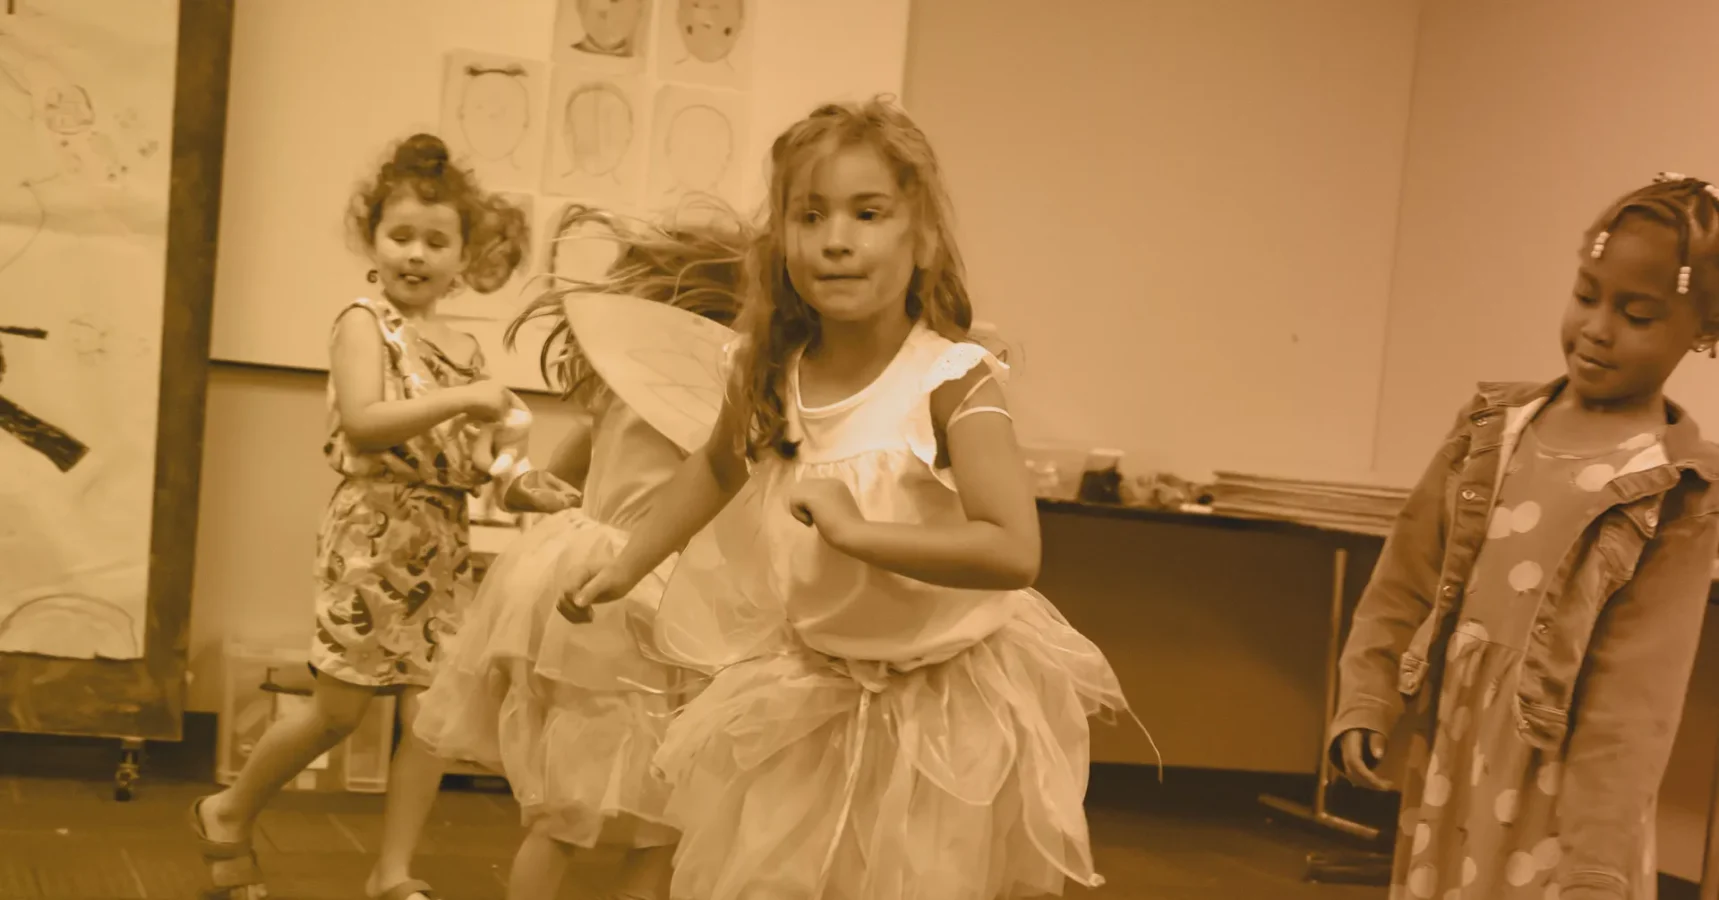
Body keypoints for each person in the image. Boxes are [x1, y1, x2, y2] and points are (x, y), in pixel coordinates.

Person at [563, 96, 1151, 900]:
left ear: (923, 239)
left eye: (866, 213)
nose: (835, 239)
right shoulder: (771, 370)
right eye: (809, 216)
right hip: (811, 692)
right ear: (783, 241)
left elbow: (1012, 550)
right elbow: (714, 467)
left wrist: (859, 532)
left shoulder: (951, 382)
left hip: (942, 708)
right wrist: (627, 563)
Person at [1330, 173, 1719, 900]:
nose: (1597, 328)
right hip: (1452, 766)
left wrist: (1595, 863)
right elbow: (1402, 581)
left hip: (1561, 801)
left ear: (1702, 331)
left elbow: (1636, 700)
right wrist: (1368, 694)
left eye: (1636, 313)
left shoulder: (1677, 488)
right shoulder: (1488, 432)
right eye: (1584, 295)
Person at [189, 133, 531, 900]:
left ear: (462, 254)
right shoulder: (362, 320)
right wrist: (468, 399)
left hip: (441, 543)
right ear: (371, 237)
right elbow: (367, 422)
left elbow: (472, 462)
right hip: (370, 537)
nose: (416, 254)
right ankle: (228, 808)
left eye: (436, 241)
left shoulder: (464, 347)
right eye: (400, 234)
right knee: (338, 711)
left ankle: (391, 872)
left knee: (433, 720)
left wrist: (518, 483)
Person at [414, 203, 745, 900]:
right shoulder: (707, 397)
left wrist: (525, 492)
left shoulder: (618, 388)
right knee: (666, 818)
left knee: (566, 812)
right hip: (649, 592)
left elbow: (549, 482)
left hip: (580, 578)